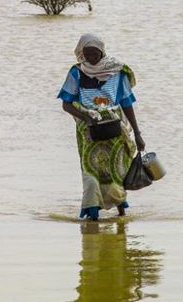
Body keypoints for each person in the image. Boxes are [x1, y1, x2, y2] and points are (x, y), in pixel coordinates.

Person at [58, 34, 146, 221]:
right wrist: (87, 118)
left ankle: (121, 212)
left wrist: (137, 134)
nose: (91, 57)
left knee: (117, 170)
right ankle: (92, 214)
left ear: (102, 52)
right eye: (86, 54)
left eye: (94, 53)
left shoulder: (116, 71)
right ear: (81, 54)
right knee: (91, 172)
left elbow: (126, 103)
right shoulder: (76, 72)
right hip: (88, 132)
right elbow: (66, 104)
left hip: (115, 130)